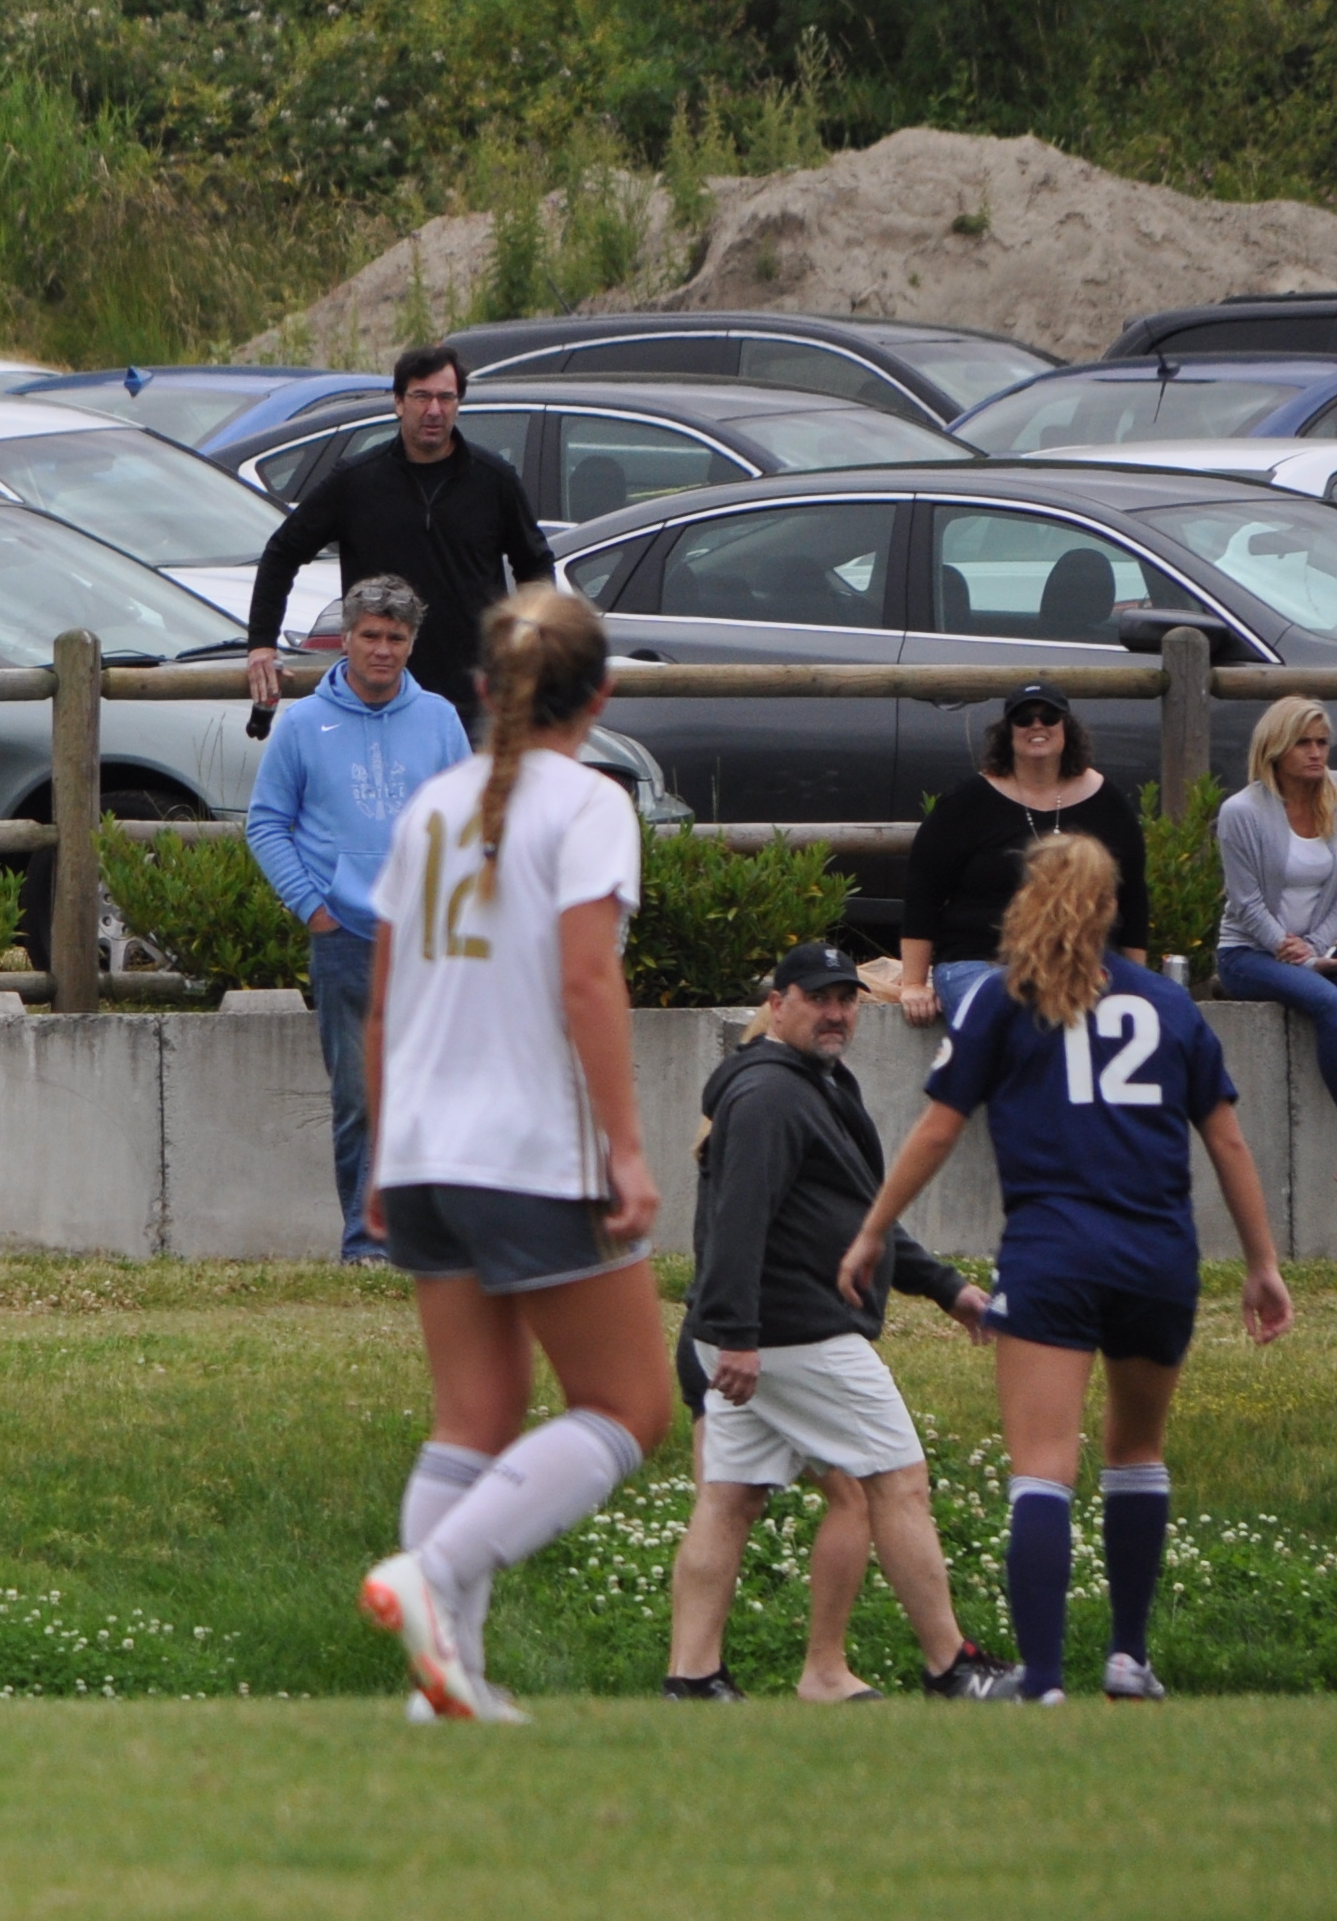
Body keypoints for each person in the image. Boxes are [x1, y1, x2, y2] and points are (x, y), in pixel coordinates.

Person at [841, 833, 1294, 1702]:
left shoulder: (1004, 1002)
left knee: (1042, 1465)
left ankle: (1043, 1677)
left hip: (1054, 1252)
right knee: (1137, 1453)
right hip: (1159, 1254)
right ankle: (1129, 1658)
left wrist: (873, 1232)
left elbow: (939, 1128)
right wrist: (1263, 1263)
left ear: (1028, 901)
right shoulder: (1168, 1004)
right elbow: (1228, 1138)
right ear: (1110, 906)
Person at [354, 585, 671, 1721]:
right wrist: (627, 1152)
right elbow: (588, 978)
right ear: (602, 696)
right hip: (528, 1147)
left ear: (481, 692)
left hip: (427, 1151)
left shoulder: (431, 802)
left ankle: (447, 1683)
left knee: (473, 1419)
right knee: (629, 1406)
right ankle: (427, 1579)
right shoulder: (587, 804)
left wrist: (386, 1156)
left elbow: (380, 1008)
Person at [663, 941, 1010, 1701]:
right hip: (794, 1334)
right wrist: (739, 1335)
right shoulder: (770, 1096)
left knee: (730, 1495)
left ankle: (692, 1678)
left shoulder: (810, 1085)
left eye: (848, 999)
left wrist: (948, 1289)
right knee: (900, 1480)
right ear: (778, 1001)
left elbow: (851, 1221)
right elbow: (735, 1223)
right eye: (819, 998)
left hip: (762, 1334)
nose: (836, 1013)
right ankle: (952, 1666)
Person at [243, 575, 473, 1261]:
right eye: (370, 635)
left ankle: (431, 1242)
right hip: (343, 938)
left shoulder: (439, 720)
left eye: (396, 638)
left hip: (426, 939)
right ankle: (366, 1242)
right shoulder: (304, 723)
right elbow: (265, 824)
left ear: (411, 644)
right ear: (345, 639)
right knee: (359, 1100)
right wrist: (313, 910)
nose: (382, 649)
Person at [243, 346, 555, 721]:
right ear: (398, 402)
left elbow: (534, 564)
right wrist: (261, 643)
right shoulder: (356, 481)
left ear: (459, 403)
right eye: (421, 396)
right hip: (378, 699)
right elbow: (282, 552)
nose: (434, 410)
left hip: (476, 702)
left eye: (445, 397)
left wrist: (533, 640)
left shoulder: (494, 480)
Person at [897, 679, 1145, 1028]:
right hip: (982, 960)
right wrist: (913, 984)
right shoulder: (967, 802)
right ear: (1007, 732)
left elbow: (1133, 898)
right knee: (1015, 1023)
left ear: (1067, 728)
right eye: (1024, 719)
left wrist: (1138, 982)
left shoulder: (1109, 803)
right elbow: (923, 892)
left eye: (1049, 717)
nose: (1037, 725)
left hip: (1083, 963)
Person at [1213, 692, 1337, 1100]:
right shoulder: (1241, 812)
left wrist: (1315, 948)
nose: (1316, 753)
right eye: (1304, 743)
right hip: (1249, 954)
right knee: (1328, 1000)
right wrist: (1293, 951)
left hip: (1313, 949)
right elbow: (1246, 902)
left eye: (1322, 742)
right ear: (1276, 747)